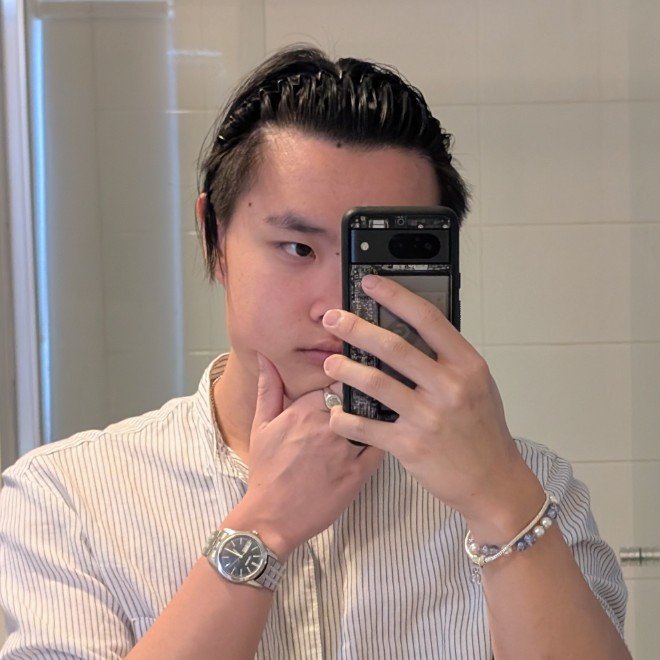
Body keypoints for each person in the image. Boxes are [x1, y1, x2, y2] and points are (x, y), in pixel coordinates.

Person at [0, 45, 631, 659]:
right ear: (215, 240)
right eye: (298, 249)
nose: (337, 308)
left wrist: (499, 498)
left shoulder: (530, 490)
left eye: (383, 259)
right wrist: (261, 529)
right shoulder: (66, 500)